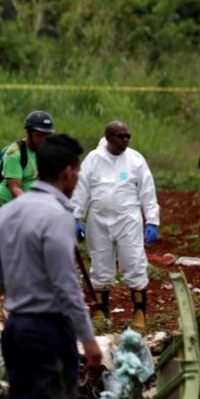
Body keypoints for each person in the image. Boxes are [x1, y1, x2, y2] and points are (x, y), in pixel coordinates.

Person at [0, 134, 102, 399]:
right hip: (48, 330)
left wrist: (18, 290)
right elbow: (66, 286)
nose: (77, 178)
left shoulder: (10, 210)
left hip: (15, 327)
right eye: (77, 171)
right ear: (67, 172)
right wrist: (89, 341)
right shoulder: (57, 216)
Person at [72, 121, 160, 332]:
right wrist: (75, 217)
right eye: (121, 136)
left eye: (128, 136)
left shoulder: (135, 160)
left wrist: (152, 220)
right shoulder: (93, 160)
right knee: (100, 265)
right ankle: (102, 312)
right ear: (109, 137)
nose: (126, 140)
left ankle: (139, 313)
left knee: (134, 262)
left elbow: (147, 191)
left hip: (128, 220)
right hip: (99, 220)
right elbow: (81, 188)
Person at [0, 110, 55, 314]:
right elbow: (14, 186)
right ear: (29, 133)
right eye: (39, 135)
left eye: (47, 136)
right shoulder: (15, 153)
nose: (43, 140)